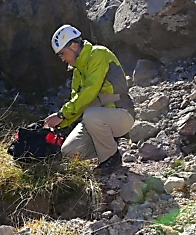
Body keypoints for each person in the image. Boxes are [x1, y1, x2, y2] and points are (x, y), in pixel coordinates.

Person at [43, 25, 135, 174]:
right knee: (68, 152)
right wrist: (58, 125)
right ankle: (107, 143)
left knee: (91, 115)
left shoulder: (98, 54)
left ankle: (111, 159)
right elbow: (78, 103)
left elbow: (89, 92)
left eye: (62, 54)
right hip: (95, 120)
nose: (63, 59)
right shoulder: (77, 70)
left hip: (121, 114)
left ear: (73, 46)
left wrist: (61, 115)